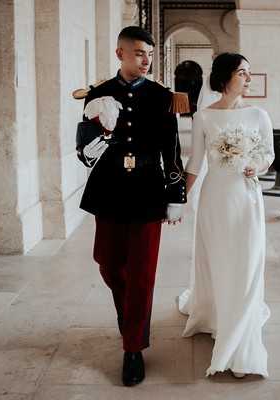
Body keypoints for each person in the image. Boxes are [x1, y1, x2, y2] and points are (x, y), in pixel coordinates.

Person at [76, 26, 186, 387]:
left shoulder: (162, 97)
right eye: (139, 52)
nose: (146, 60)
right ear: (120, 53)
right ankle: (130, 316)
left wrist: (175, 196)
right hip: (108, 190)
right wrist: (102, 135)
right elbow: (83, 149)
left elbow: (171, 149)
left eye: (150, 54)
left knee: (143, 273)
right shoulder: (98, 93)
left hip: (147, 191)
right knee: (107, 264)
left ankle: (133, 347)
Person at [177, 53, 274, 378]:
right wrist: (178, 199)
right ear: (224, 78)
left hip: (247, 197)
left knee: (247, 259)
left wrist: (256, 166)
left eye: (248, 72)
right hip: (215, 199)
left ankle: (241, 331)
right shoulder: (204, 117)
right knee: (218, 258)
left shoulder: (259, 115)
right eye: (242, 73)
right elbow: (195, 164)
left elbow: (268, 155)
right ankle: (218, 313)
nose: (248, 78)